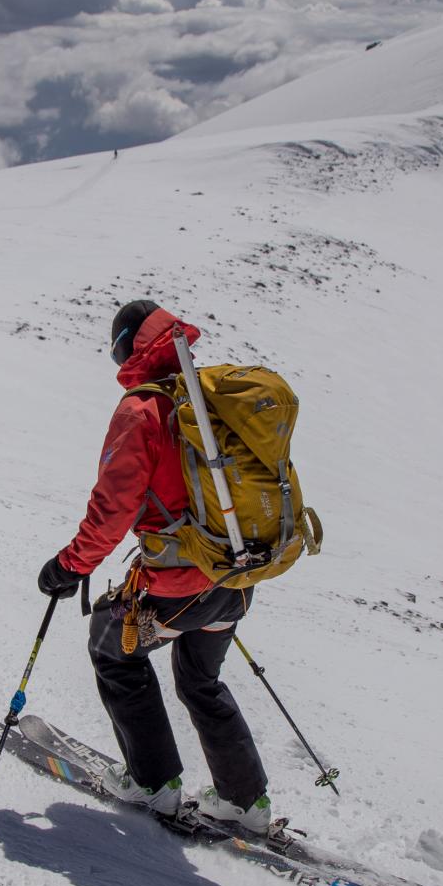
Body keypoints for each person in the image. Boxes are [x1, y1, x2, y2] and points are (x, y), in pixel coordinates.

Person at [36, 300, 271, 831]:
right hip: (235, 579)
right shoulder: (208, 397)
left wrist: (69, 566)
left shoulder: (142, 409)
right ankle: (246, 801)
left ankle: (153, 784)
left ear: (126, 347)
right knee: (199, 679)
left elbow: (113, 508)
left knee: (110, 644)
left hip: (178, 588)